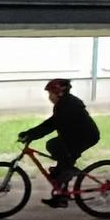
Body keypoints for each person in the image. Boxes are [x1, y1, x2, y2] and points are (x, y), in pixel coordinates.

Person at [18, 78, 100, 207]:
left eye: (50, 94)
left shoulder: (67, 105)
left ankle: (67, 172)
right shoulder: (64, 103)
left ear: (59, 93)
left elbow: (51, 125)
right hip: (76, 136)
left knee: (54, 146)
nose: (49, 97)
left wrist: (30, 134)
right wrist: (30, 133)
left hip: (85, 136)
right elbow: (52, 123)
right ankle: (62, 196)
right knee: (62, 162)